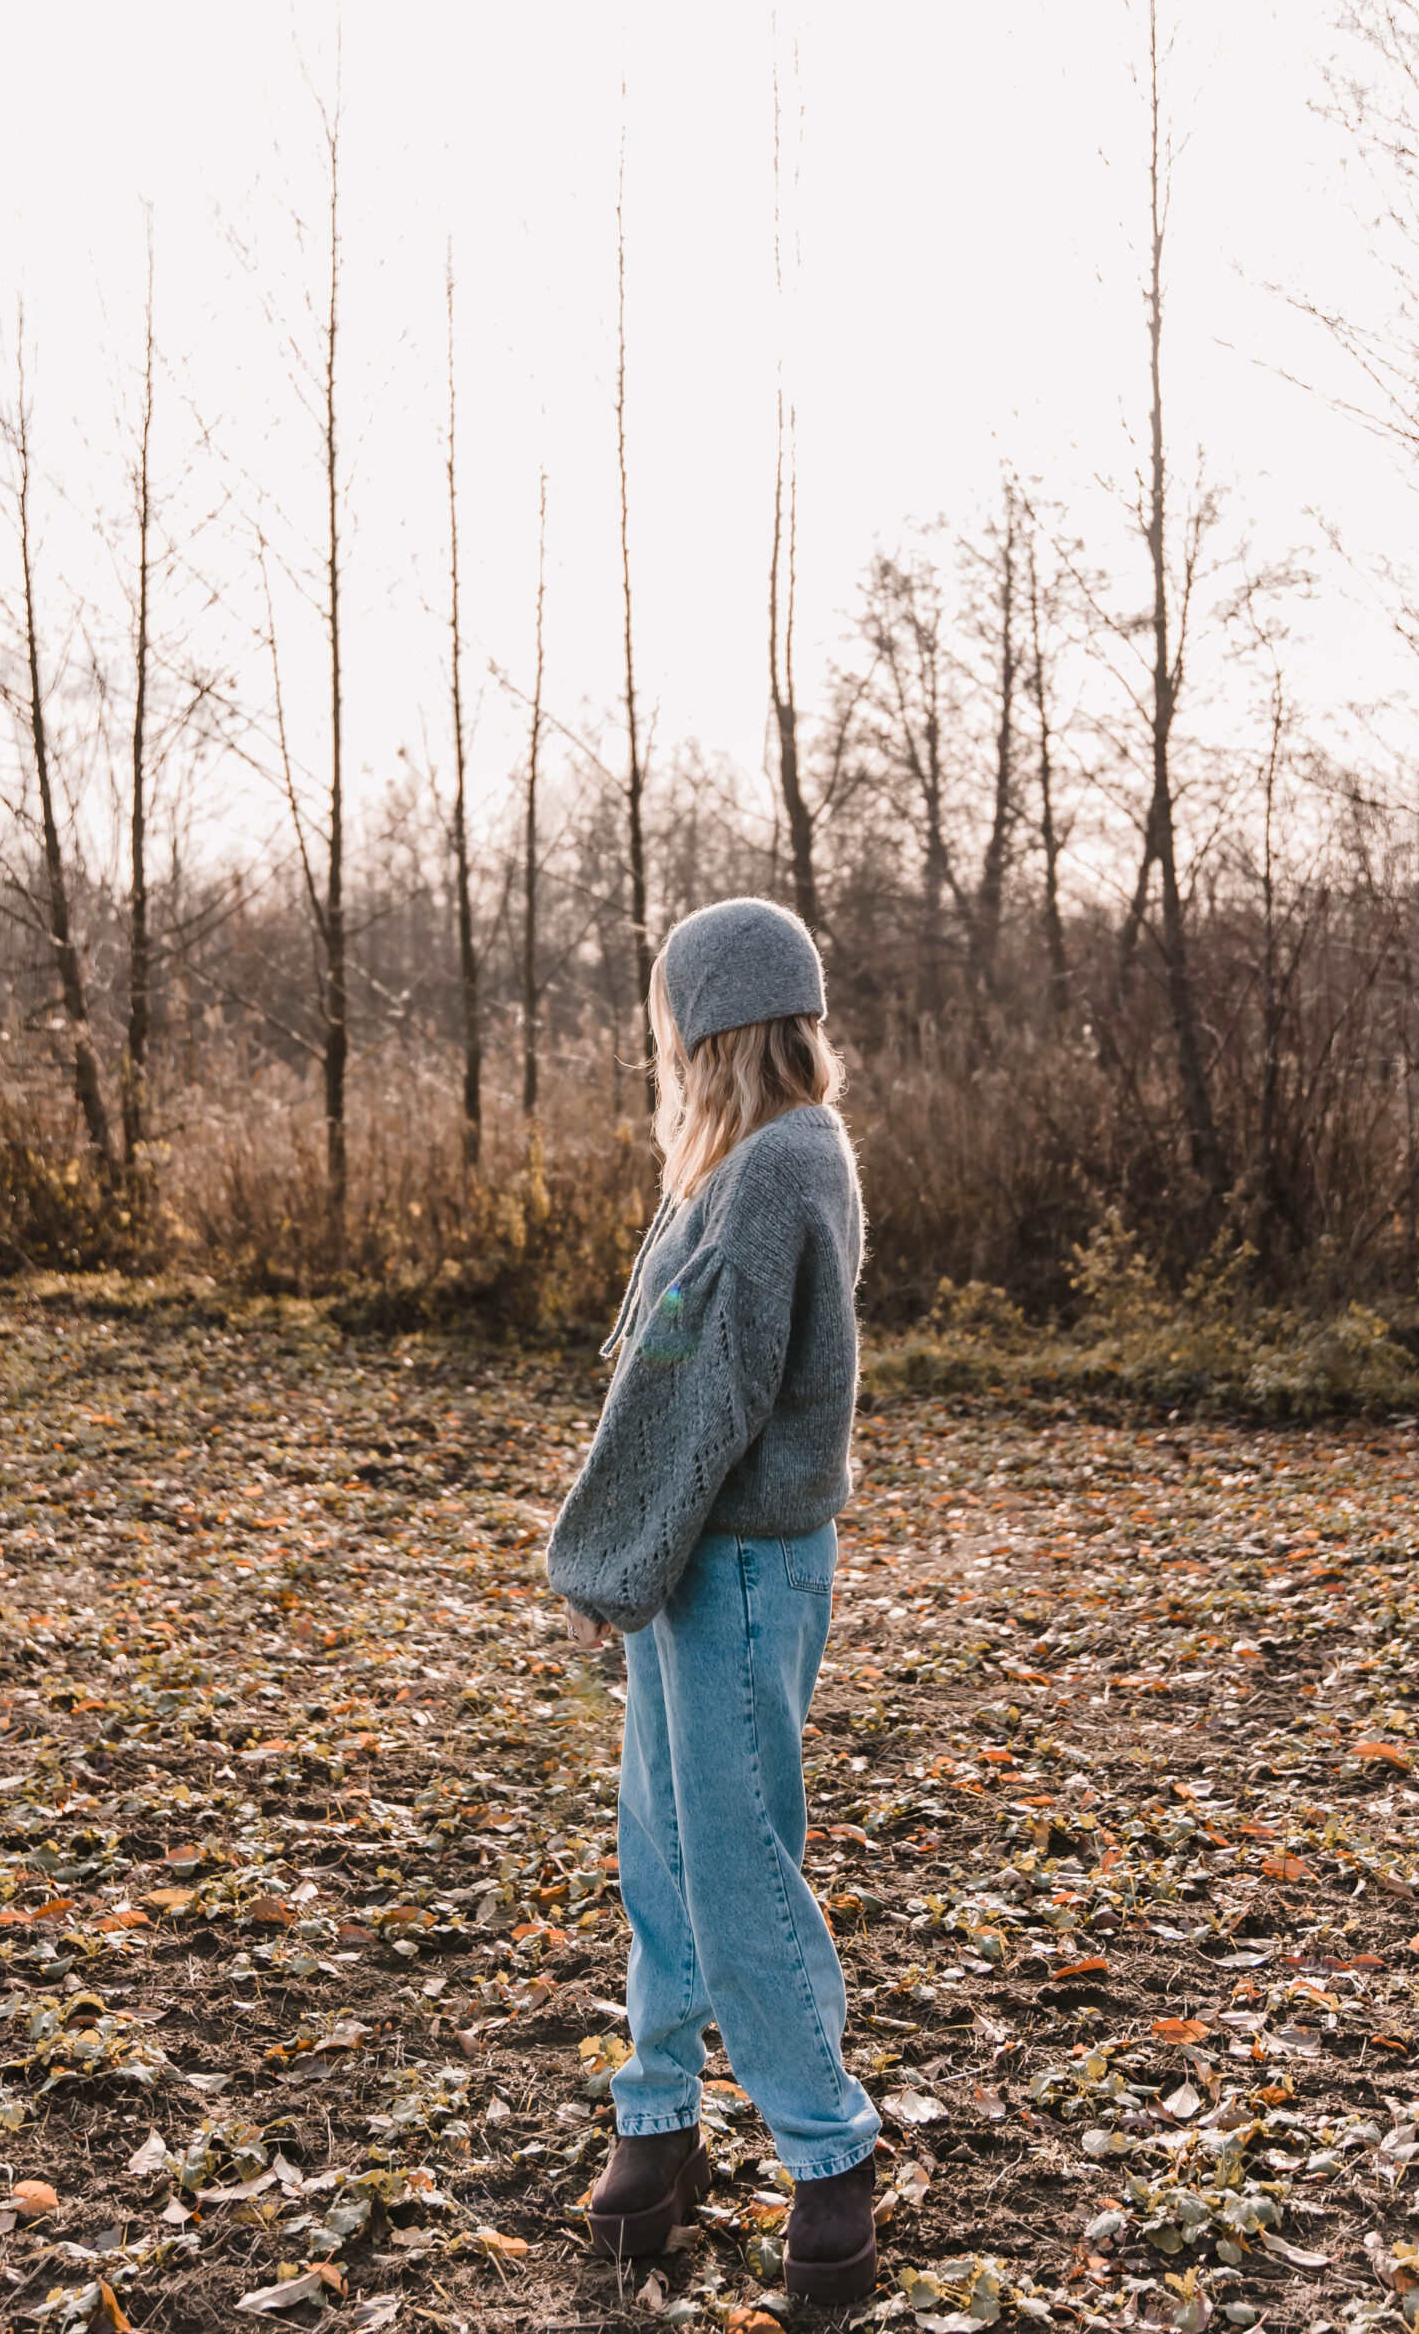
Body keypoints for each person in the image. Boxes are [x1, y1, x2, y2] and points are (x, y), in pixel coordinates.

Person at [546, 896, 879, 2309]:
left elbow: (698, 1391)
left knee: (735, 1867)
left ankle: (829, 2155)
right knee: (663, 1851)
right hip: (708, 1558)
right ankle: (660, 2120)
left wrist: (606, 1564)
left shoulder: (776, 1167)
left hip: (734, 1563)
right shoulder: (762, 1158)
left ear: (706, 1024)